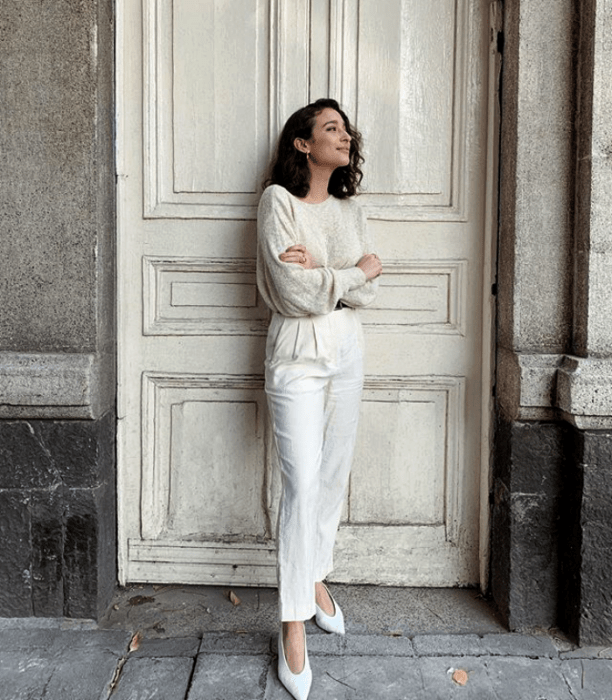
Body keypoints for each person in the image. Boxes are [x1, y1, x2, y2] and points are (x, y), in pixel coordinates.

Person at [256, 98, 382, 700]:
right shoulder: (277, 203)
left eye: (346, 128)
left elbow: (363, 297)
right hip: (297, 355)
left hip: (346, 351)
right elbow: (291, 291)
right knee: (301, 483)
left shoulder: (350, 210)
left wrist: (327, 271)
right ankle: (292, 624)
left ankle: (314, 580)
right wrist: (354, 273)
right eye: (331, 128)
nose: (345, 135)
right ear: (304, 143)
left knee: (331, 477)